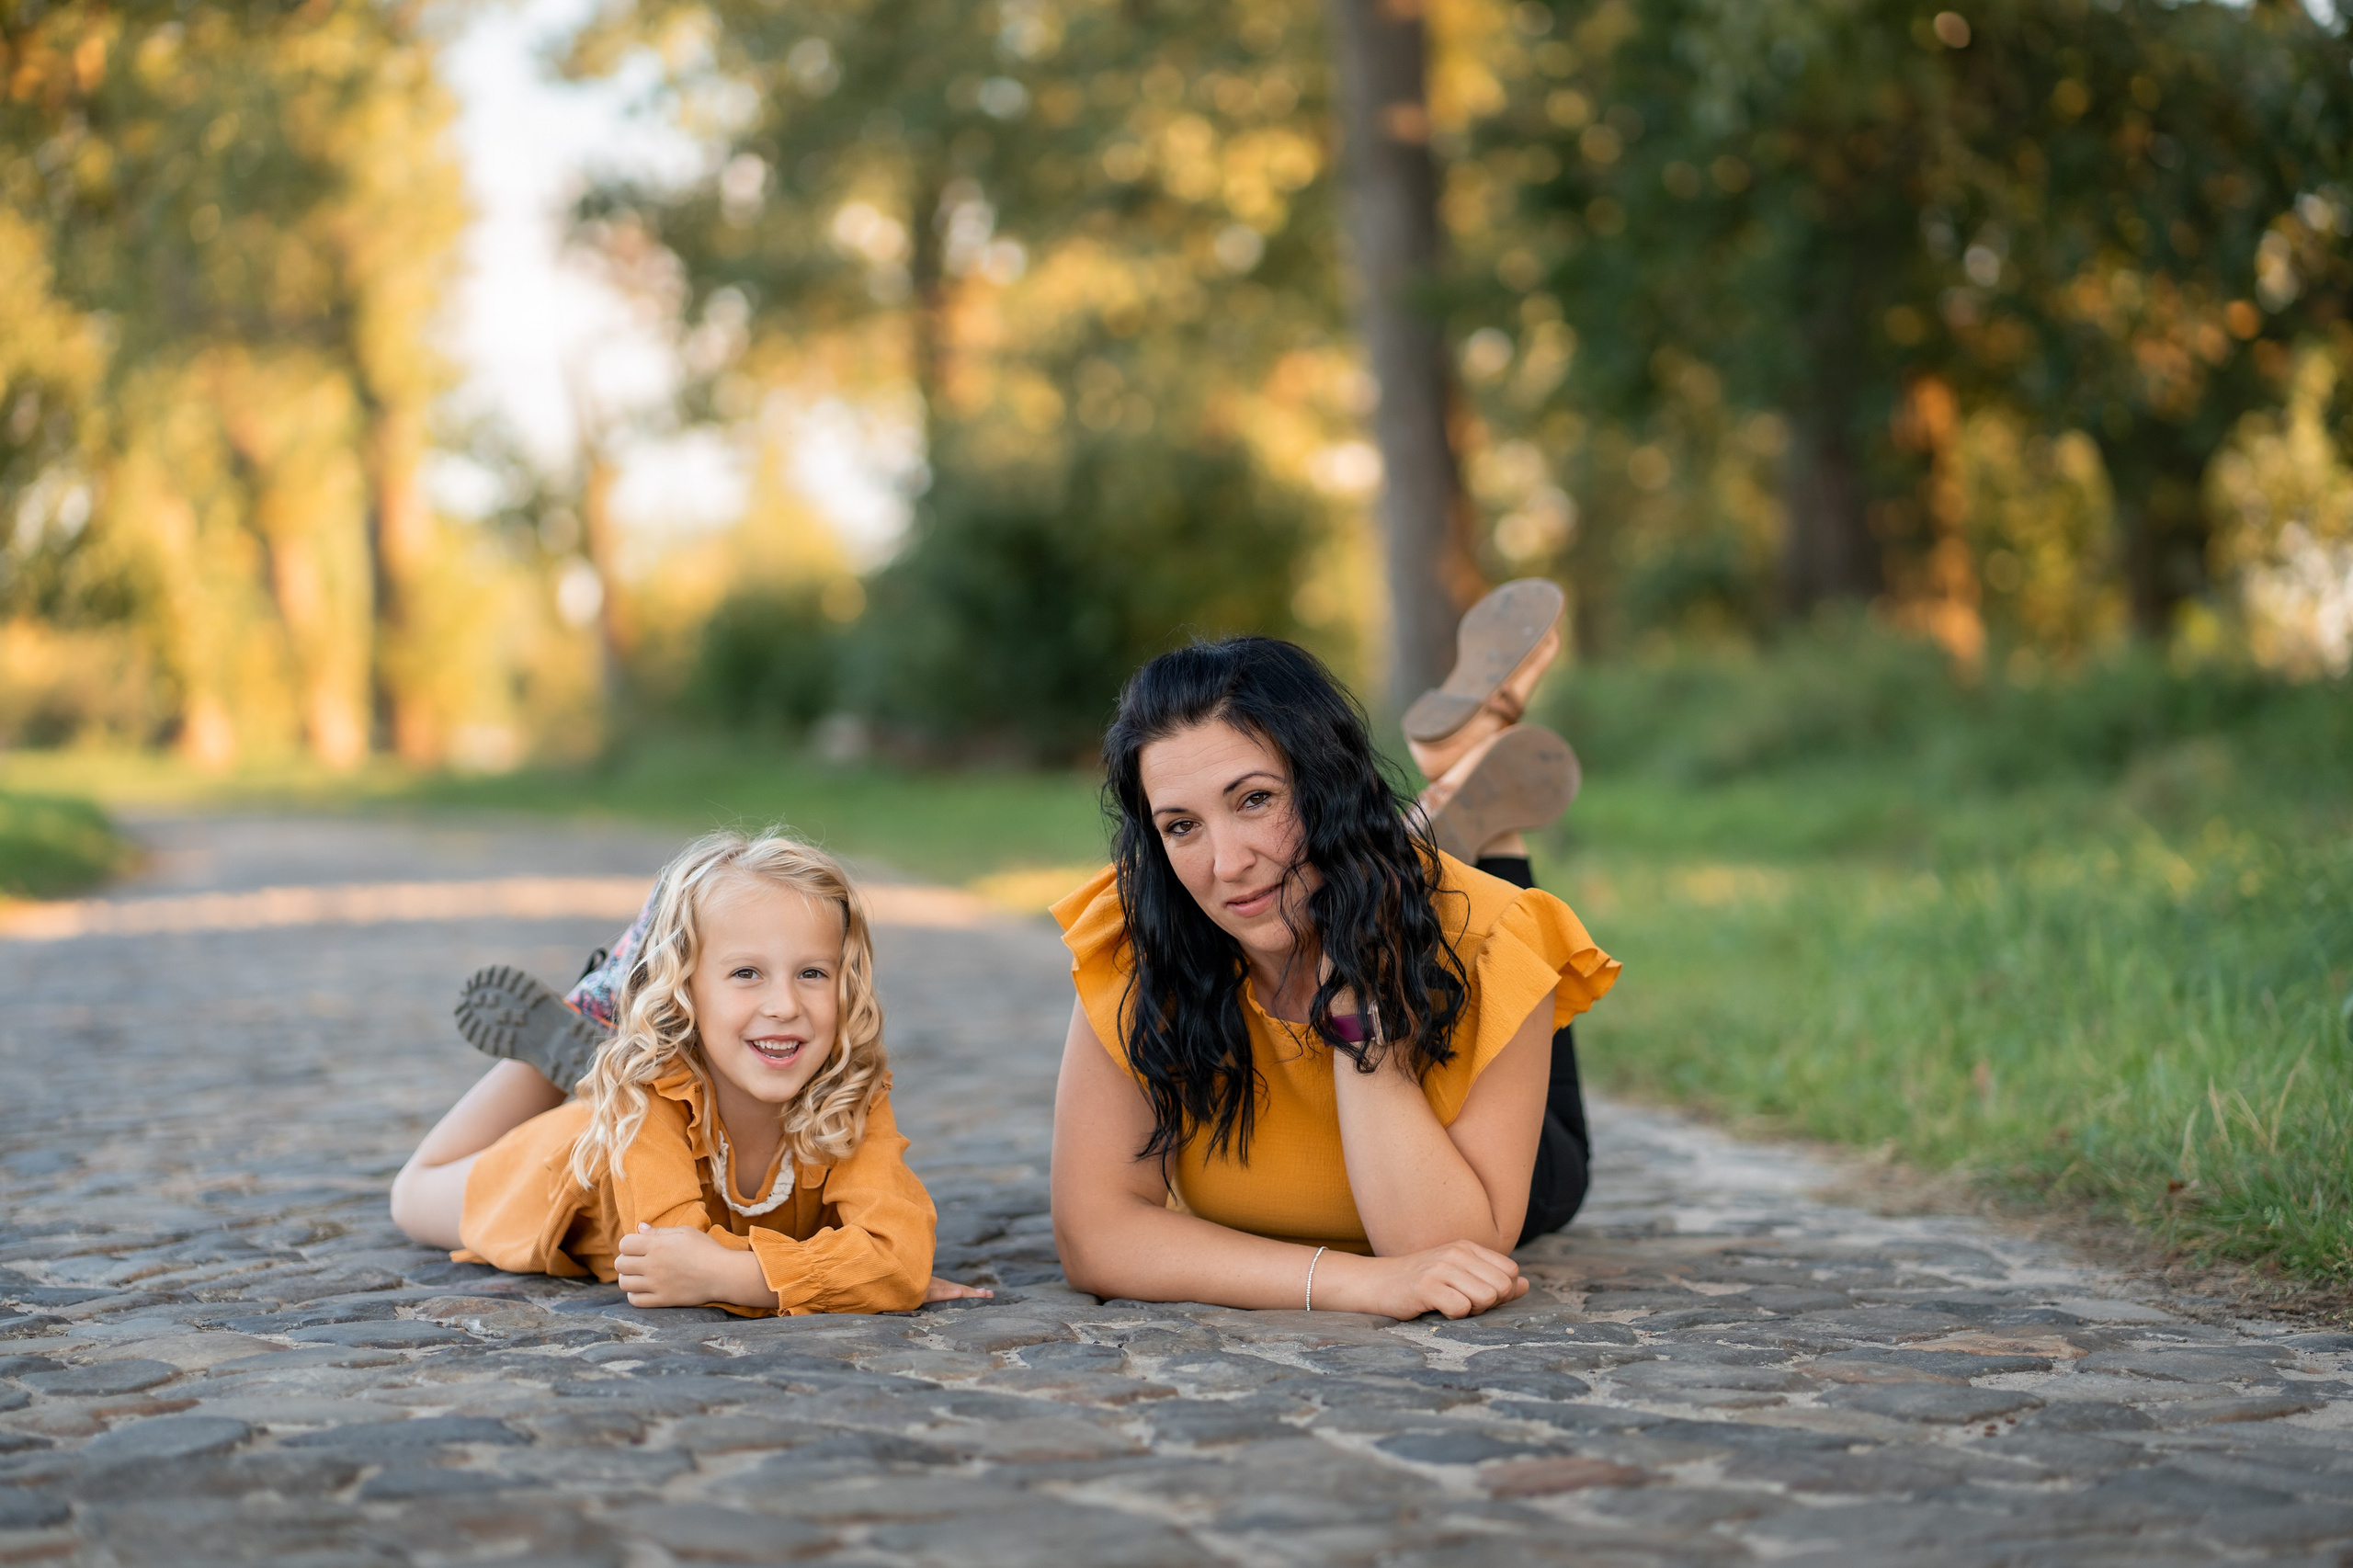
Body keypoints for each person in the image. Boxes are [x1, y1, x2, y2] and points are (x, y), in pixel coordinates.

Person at [1048, 633, 1617, 1321]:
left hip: (1467, 1119)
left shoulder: (1493, 940)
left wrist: (1355, 1004)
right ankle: (1430, 820)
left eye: (1255, 800)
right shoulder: (1139, 938)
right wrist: (1359, 1284)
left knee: (1480, 927)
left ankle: (1468, 829)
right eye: (1181, 826)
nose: (1226, 864)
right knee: (1415, 886)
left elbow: (1449, 1254)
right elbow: (1095, 1236)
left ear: (1325, 787)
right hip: (1379, 884)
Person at [388, 829, 986, 1314]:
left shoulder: (848, 1093)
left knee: (623, 1076)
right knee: (412, 1192)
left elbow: (901, 1260)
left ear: (845, 984)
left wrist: (744, 1273)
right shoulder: (649, 1096)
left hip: (636, 1093)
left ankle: (607, 1032)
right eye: (746, 973)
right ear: (687, 994)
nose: (785, 1005)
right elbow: (675, 1259)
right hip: (558, 1168)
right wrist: (844, 1281)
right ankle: (599, 1012)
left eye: (812, 974)